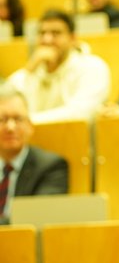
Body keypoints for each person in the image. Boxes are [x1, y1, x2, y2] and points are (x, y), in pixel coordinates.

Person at [8, 9, 111, 124]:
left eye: (56, 33)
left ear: (72, 38)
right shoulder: (32, 70)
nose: (47, 40)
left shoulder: (92, 67)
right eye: (42, 33)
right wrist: (29, 69)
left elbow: (80, 114)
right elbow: (5, 104)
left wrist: (25, 121)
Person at [0, 84, 68, 225]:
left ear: (30, 126)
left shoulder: (52, 167)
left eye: (18, 119)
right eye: (2, 120)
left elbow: (36, 219)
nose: (10, 127)